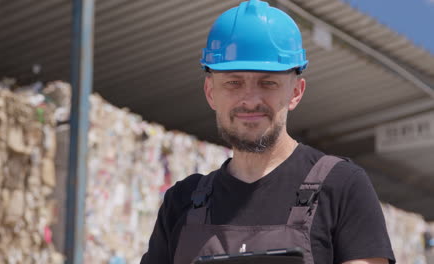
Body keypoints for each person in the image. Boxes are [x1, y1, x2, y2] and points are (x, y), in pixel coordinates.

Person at [141, 0, 395, 263]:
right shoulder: (181, 202)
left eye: (268, 82)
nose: (250, 100)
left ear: (296, 92)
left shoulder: (342, 186)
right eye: (233, 82)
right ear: (210, 92)